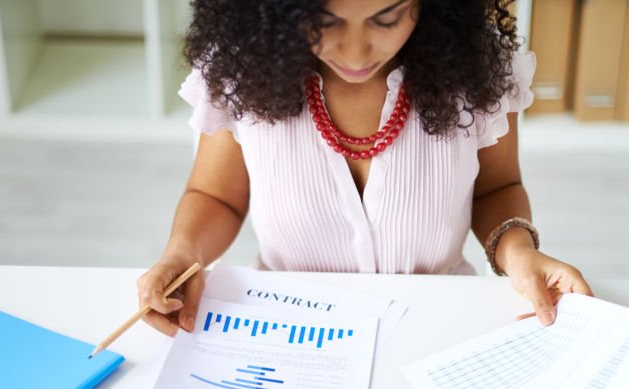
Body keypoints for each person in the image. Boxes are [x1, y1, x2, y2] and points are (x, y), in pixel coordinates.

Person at [137, 0, 592, 336]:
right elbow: (216, 196)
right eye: (323, 21)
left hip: (435, 327)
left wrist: (517, 253)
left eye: (387, 17)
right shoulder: (238, 73)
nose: (355, 54)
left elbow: (496, 188)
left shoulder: (479, 74)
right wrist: (182, 253)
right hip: (287, 330)